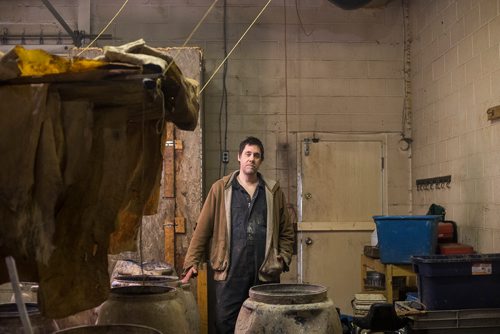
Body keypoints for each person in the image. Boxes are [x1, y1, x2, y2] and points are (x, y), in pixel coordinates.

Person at [181, 136, 295, 334]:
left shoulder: (272, 191)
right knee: (226, 322)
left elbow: (286, 231)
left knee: (265, 324)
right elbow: (203, 229)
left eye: (256, 155)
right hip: (230, 271)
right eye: (248, 154)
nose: (252, 159)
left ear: (261, 161)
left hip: (265, 273)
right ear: (239, 158)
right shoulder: (221, 189)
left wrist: (283, 257)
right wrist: (192, 262)